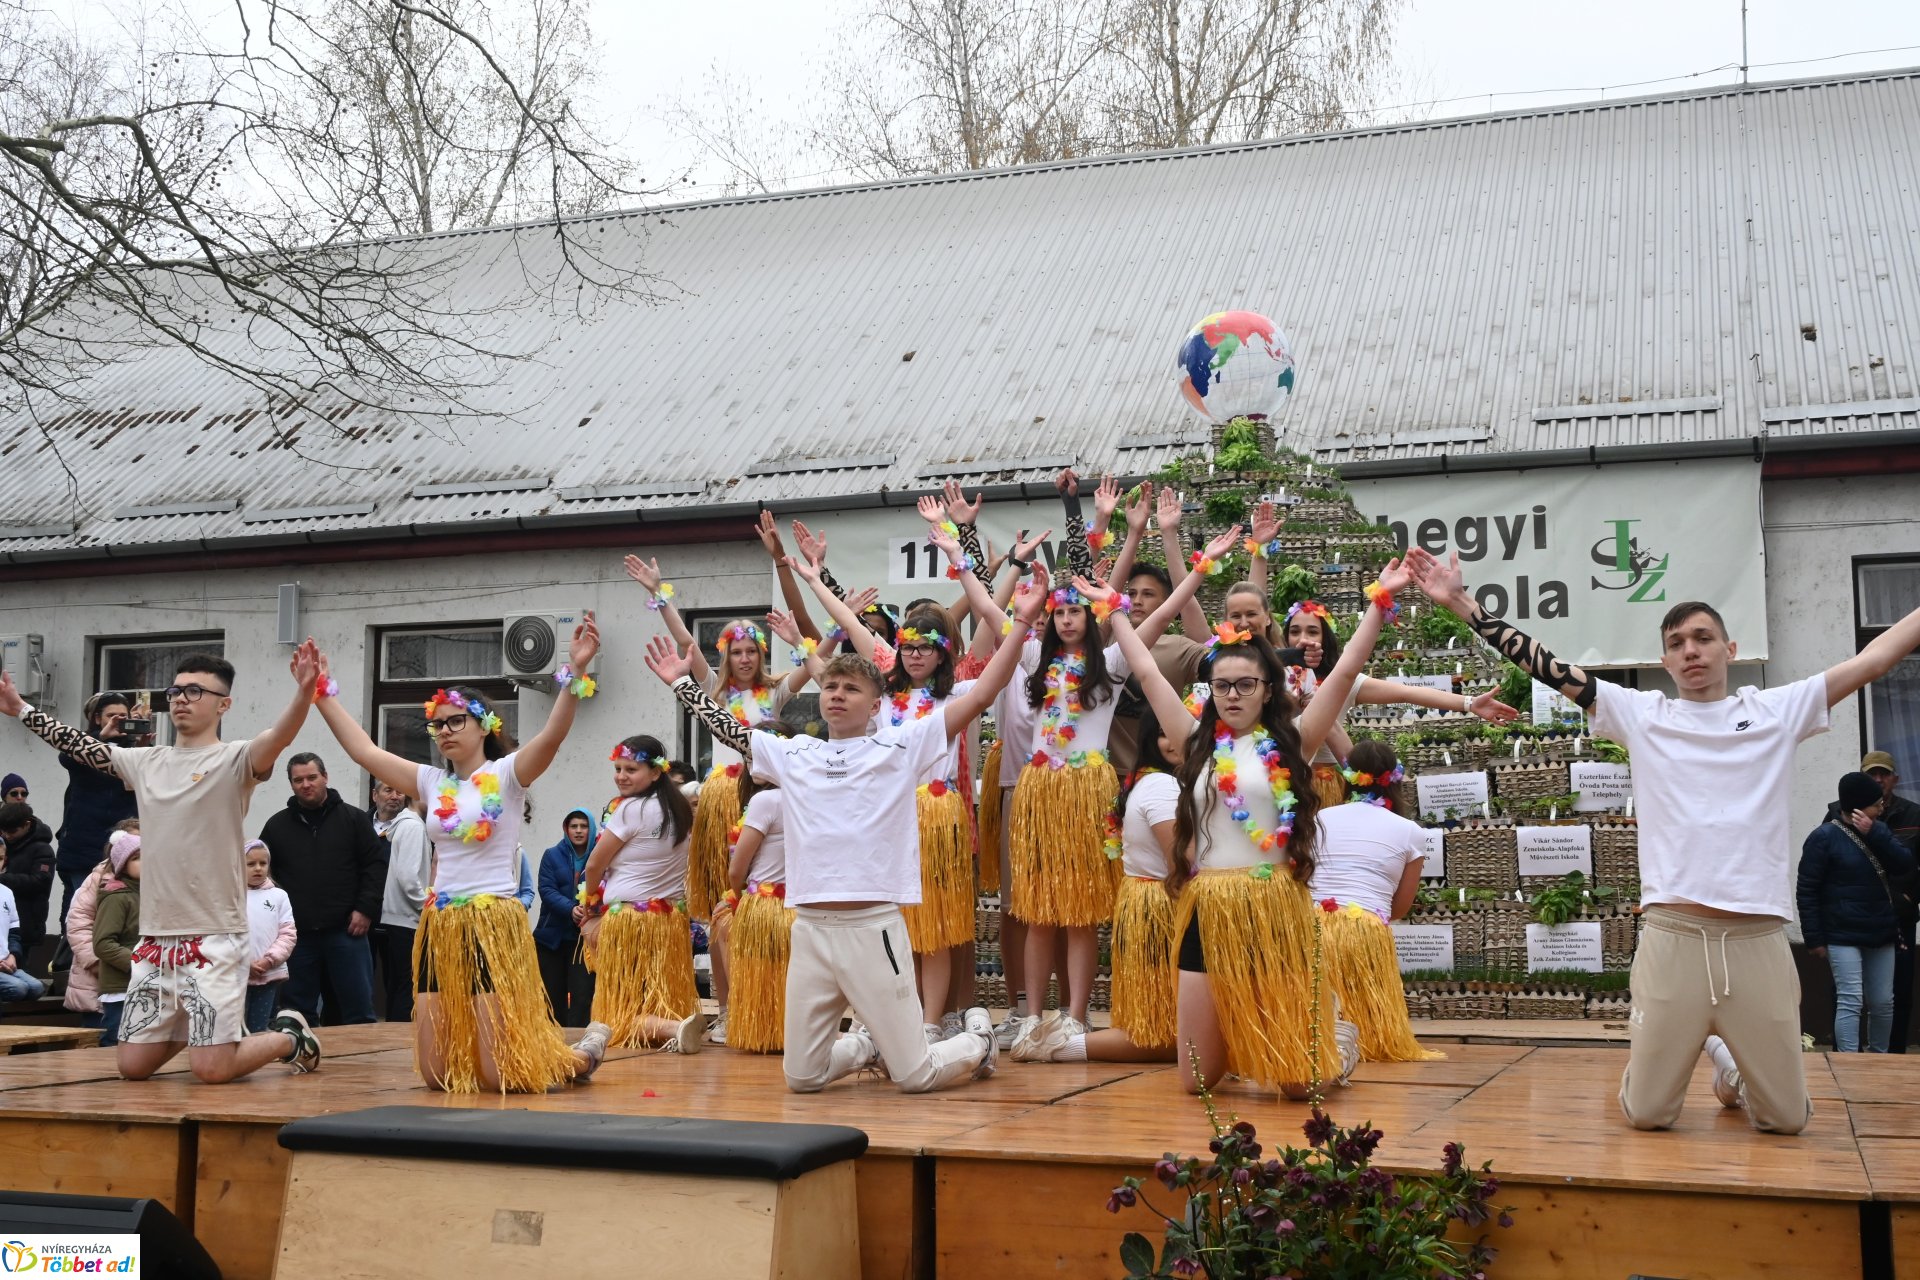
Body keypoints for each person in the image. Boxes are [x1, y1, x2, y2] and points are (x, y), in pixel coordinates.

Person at [1408, 546, 1920, 1134]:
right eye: (1677, 643)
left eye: (1703, 638)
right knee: (1648, 1115)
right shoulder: (1641, 714)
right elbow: (1548, 666)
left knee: (1786, 1121)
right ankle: (1707, 1056)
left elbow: (1875, 659)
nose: (1691, 650)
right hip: (1673, 935)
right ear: (1664, 659)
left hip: (1756, 937)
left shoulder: (1777, 710)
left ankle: (1729, 1067)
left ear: (1730, 650)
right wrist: (1462, 604)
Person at [648, 560, 1048, 1095]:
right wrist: (682, 685)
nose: (836, 694)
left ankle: (978, 1039)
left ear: (875, 705)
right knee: (802, 1077)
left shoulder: (900, 745)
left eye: (850, 689)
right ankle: (863, 1045)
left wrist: (1020, 624)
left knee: (916, 1076)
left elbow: (977, 696)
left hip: (873, 927)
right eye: (830, 685)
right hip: (811, 930)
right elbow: (732, 729)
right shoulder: (796, 753)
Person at [305, 615, 612, 1093]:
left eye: (455, 721)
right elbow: (364, 751)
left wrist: (573, 673)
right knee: (435, 1075)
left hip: (493, 923)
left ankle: (579, 1056)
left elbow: (552, 736)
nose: (444, 731)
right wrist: (320, 692)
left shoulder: (508, 774)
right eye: (436, 724)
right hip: (441, 923)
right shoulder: (431, 781)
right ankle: (571, 1053)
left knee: (497, 1073)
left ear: (483, 724)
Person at [1142, 557, 1405, 1096]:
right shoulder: (1195, 741)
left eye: (1245, 684)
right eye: (1222, 686)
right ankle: (1249, 1035)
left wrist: (1380, 601)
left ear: (1267, 688)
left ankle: (1337, 1041)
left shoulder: (1295, 741)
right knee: (1197, 1082)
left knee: (1295, 1086)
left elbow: (1348, 670)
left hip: (1272, 904)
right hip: (1209, 906)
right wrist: (1115, 610)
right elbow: (1145, 671)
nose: (1232, 694)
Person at [0, 650, 324, 1083]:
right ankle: (207, 1034)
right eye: (175, 690)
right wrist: (21, 708)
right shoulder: (146, 762)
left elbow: (279, 737)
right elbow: (82, 748)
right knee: (131, 1066)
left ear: (223, 704)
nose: (180, 699)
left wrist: (304, 693)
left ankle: (290, 1037)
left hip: (214, 935)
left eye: (195, 690)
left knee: (212, 1070)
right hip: (154, 942)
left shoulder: (236, 760)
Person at [1000, 523, 1242, 1052]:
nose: (1065, 620)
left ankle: (1076, 1015)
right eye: (1058, 613)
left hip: (1087, 791)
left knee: (1083, 910)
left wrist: (1202, 565)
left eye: (1074, 612)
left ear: (1091, 618)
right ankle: (1031, 1015)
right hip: (1039, 792)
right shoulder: (1032, 661)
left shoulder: (1108, 666)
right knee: (1039, 910)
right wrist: (993, 562)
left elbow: (1156, 618)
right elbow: (993, 613)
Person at [625, 555, 819, 922]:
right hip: (720, 794)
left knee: (756, 872)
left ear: (761, 653)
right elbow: (687, 644)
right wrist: (659, 594)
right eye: (737, 651)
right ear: (727, 655)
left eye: (751, 651)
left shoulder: (775, 691)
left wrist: (834, 632)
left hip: (760, 791)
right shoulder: (713, 689)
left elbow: (816, 662)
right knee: (719, 879)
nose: (744, 658)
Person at [1015, 700, 1182, 1065]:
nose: (1177, 739)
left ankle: (1066, 1028)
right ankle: (1053, 1040)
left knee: (1169, 1035)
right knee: (1164, 1039)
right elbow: (1182, 867)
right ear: (1151, 737)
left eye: (1184, 729)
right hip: (1160, 907)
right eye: (1165, 732)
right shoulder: (1161, 787)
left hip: (1147, 907)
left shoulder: (1162, 782)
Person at [1309, 742, 1442, 1064]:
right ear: (1395, 779)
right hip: (1365, 928)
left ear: (1348, 778)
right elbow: (1399, 909)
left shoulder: (1319, 818)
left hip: (1309, 925)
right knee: (1368, 1027)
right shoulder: (1410, 831)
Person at [577, 735, 703, 1052]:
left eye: (631, 769)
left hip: (631, 921)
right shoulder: (682, 811)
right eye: (618, 768)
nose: (621, 776)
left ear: (656, 772)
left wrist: (591, 908)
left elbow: (594, 865)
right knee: (658, 996)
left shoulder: (631, 809)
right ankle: (674, 1024)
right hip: (670, 921)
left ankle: (672, 1027)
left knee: (612, 1016)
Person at [260, 754, 386, 1027]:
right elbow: (262, 876)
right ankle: (300, 1061)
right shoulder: (276, 826)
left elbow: (375, 866)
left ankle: (364, 1069)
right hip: (297, 937)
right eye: (298, 780)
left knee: (358, 1011)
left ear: (325, 777)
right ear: (291, 784)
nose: (306, 784)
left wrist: (365, 909)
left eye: (312, 777)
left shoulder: (353, 819)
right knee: (295, 1014)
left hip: (347, 931)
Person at [1798, 772, 1917, 1053]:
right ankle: (1848, 1063)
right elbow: (1807, 890)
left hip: (1881, 931)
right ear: (1859, 806)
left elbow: (1905, 865)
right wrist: (1814, 938)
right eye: (1876, 804)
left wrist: (1875, 833)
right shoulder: (1824, 837)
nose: (1882, 807)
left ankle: (1879, 1060)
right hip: (1842, 934)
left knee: (1883, 1002)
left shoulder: (1879, 830)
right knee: (1850, 999)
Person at [1834, 751, 1920, 1052]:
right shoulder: (1835, 815)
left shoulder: (1913, 814)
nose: (1879, 779)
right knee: (1848, 996)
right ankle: (1845, 1059)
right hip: (1850, 921)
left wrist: (1910, 899)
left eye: (1884, 774)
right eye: (1872, 774)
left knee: (1895, 995)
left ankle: (1892, 1058)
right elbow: (1820, 871)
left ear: (1895, 779)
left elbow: (1912, 864)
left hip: (1899, 918)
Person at [52, 694, 139, 934]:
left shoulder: (133, 752)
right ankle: (69, 961)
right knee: (82, 910)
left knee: (118, 911)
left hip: (122, 846)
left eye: (124, 717)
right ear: (98, 718)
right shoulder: (84, 746)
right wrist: (99, 739)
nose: (118, 721)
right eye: (112, 716)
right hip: (83, 845)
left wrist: (142, 743)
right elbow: (66, 756)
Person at [721, 772, 793, 1053]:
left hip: (764, 904)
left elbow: (737, 869)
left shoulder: (765, 800)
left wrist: (737, 899)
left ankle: (762, 1033)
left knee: (760, 974)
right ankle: (788, 1034)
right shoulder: (809, 795)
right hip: (801, 905)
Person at [63, 818, 136, 1031]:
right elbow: (78, 924)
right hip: (101, 974)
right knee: (105, 1036)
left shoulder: (152, 878)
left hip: (138, 975)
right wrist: (97, 963)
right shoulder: (99, 878)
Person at [534, 807, 598, 1029]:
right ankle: (552, 1046)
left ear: (591, 829)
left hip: (585, 940)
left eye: (583, 826)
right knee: (552, 997)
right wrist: (571, 909)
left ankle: (578, 1047)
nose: (579, 831)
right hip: (552, 938)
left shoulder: (600, 855)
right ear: (566, 829)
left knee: (582, 997)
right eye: (574, 826)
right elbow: (547, 890)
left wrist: (591, 909)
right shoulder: (552, 855)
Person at [372, 783, 430, 1022]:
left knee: (399, 985)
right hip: (408, 920)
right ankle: (401, 1043)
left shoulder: (404, 825)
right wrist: (429, 905)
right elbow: (408, 878)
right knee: (408, 987)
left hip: (397, 919)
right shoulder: (414, 827)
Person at [92, 830, 143, 1045]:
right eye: (137, 857)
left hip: (148, 984)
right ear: (122, 864)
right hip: (121, 987)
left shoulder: (150, 895)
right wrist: (139, 962)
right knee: (117, 1044)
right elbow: (103, 943)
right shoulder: (117, 897)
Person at [244, 841, 297, 1034]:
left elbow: (288, 935)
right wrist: (242, 963)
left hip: (268, 974)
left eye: (263, 863)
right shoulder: (230, 896)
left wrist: (269, 960)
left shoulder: (279, 896)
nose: (258, 868)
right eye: (250, 864)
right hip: (235, 975)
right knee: (235, 1031)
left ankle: (256, 1062)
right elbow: (223, 935)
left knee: (258, 1029)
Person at [0, 801, 55, 958]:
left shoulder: (42, 849)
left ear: (27, 825)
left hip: (27, 921)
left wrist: (3, 879)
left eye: (12, 831)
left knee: (19, 967)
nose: (7, 835)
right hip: (4, 921)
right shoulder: (5, 844)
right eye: (3, 831)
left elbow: (40, 881)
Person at [0, 836, 47, 1006]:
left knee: (36, 987)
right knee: (18, 988)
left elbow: (14, 931)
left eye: (0, 859)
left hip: (5, 962)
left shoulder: (6, 892)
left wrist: (13, 955)